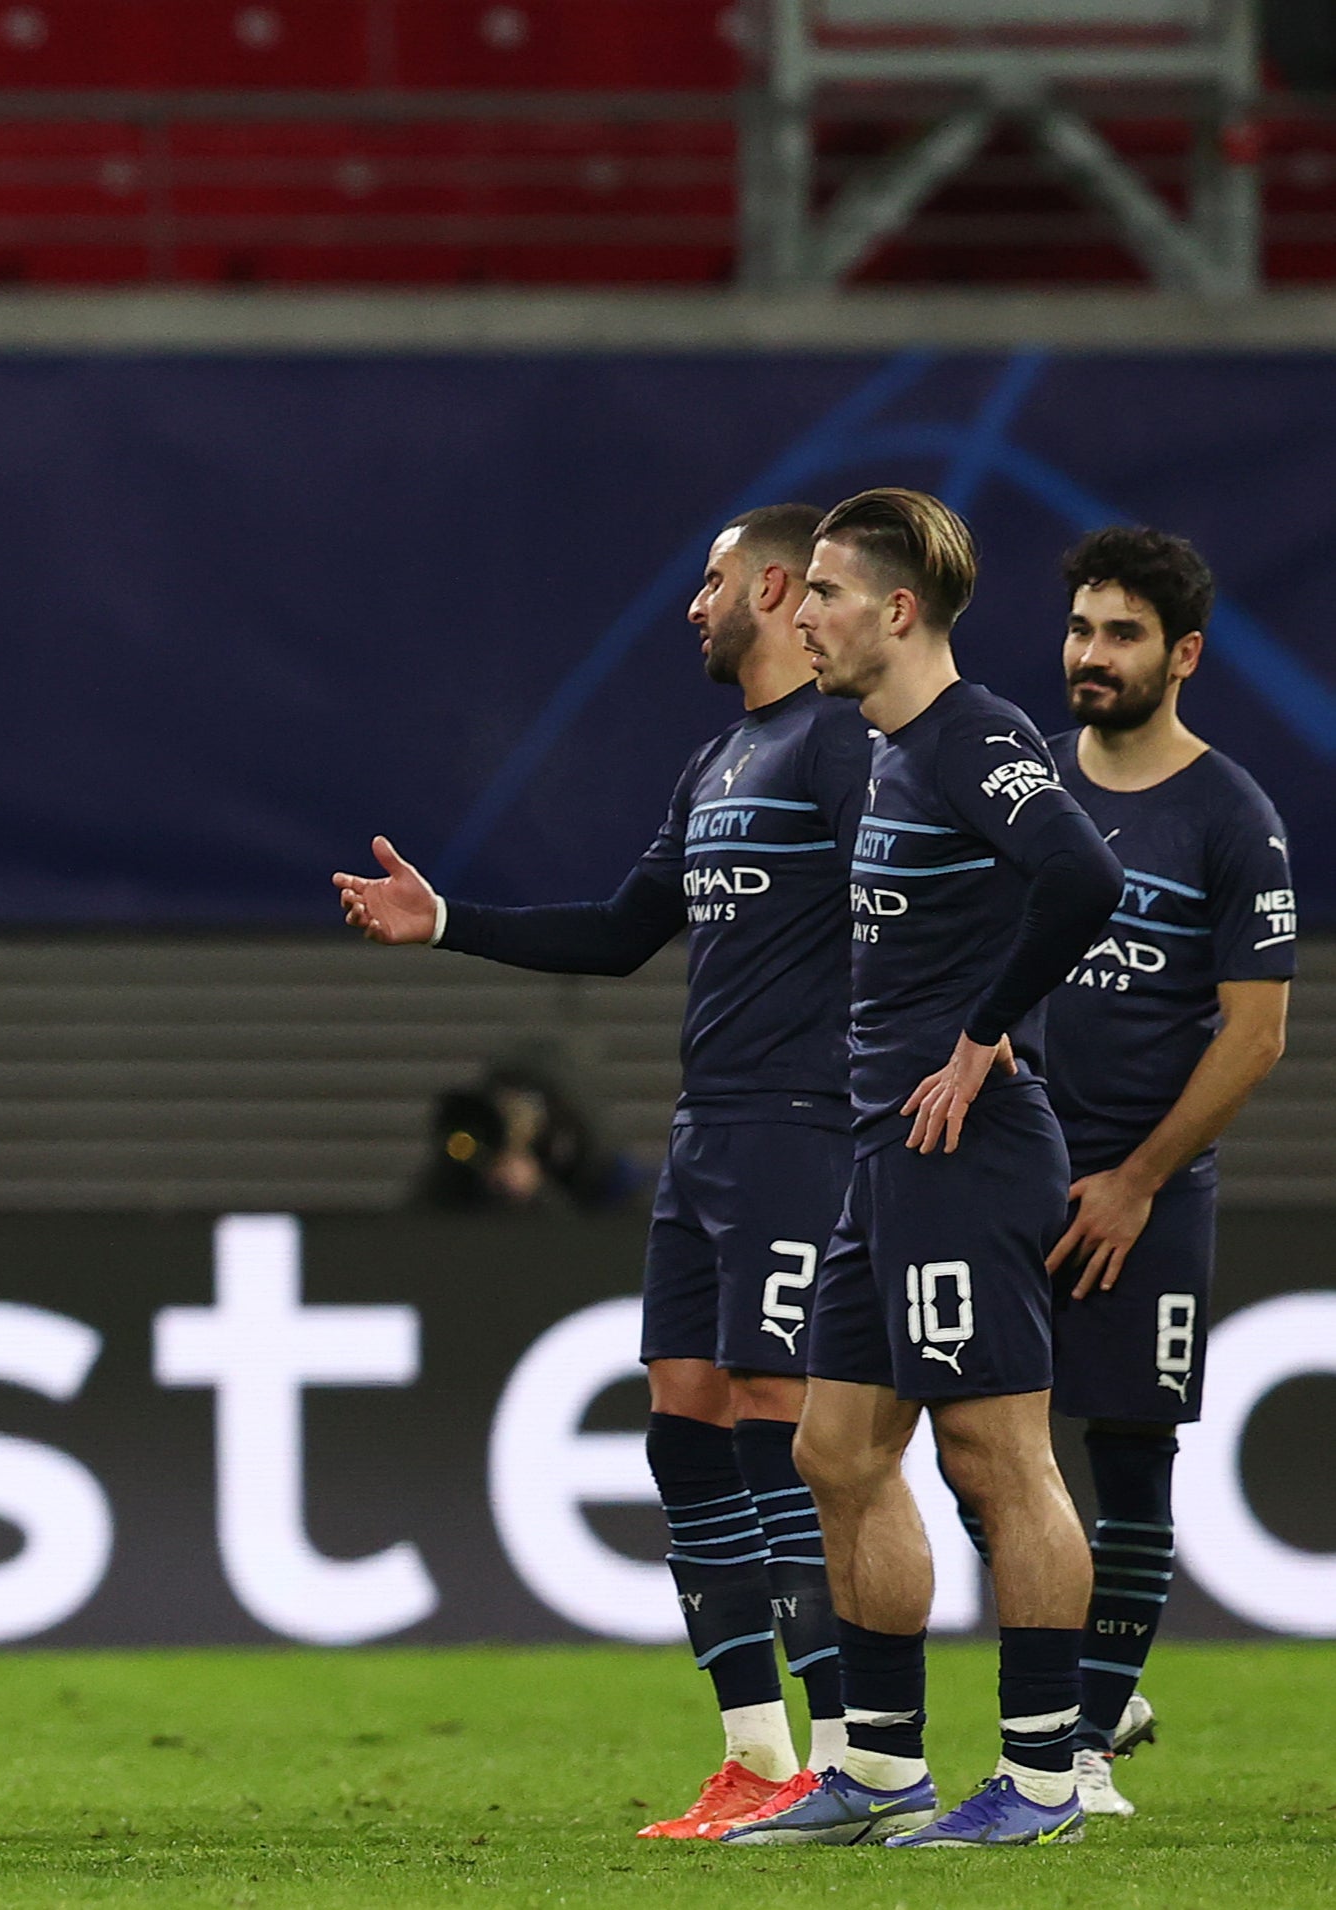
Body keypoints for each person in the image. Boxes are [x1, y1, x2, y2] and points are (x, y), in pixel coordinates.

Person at [334, 504, 860, 1838]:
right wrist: (445, 919)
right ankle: (756, 1752)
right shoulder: (718, 761)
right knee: (682, 1419)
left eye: (712, 579)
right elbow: (627, 932)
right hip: (709, 1134)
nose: (693, 602)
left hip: (805, 1128)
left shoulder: (845, 745)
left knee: (790, 1429)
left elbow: (947, 907)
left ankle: (859, 1756)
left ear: (781, 587)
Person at [723, 488, 1124, 1850]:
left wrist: (980, 1033)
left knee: (994, 1451)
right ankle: (880, 1771)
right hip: (881, 1156)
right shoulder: (885, 748)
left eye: (826, 591)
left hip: (971, 1149)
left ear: (897, 610)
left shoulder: (977, 736)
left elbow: (1080, 876)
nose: (803, 611)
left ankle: (1045, 1781)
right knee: (833, 1447)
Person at [1038, 528, 1292, 1815]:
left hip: (1145, 1187)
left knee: (1130, 1454)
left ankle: (1079, 1744)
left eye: (1121, 633)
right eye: (1080, 627)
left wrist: (1136, 1178)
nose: (1089, 653)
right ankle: (1094, 1677)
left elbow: (1256, 1032)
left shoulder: (1229, 816)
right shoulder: (1018, 782)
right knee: (975, 1441)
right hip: (1007, 1167)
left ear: (1181, 655)